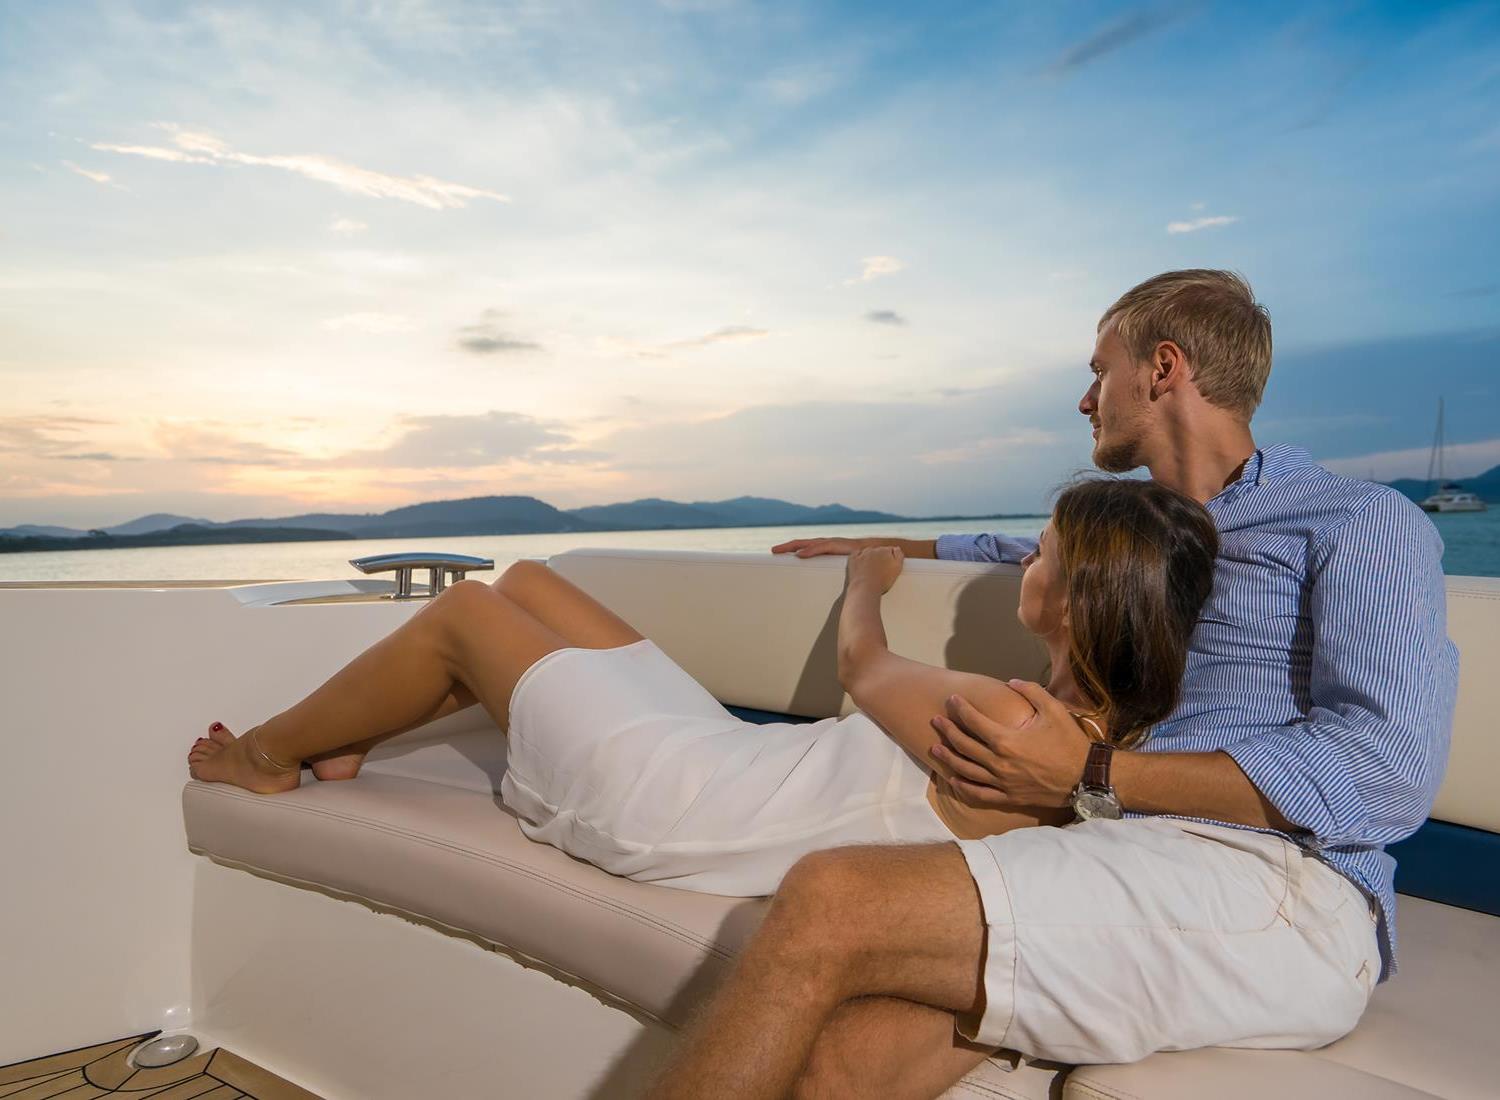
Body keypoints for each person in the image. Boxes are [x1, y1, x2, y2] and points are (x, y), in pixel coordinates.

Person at [645, 270, 1459, 1098]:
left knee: (833, 898)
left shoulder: (1356, 521)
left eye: (1100, 370)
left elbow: (1387, 770)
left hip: (1278, 882)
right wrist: (890, 549)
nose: (1085, 399)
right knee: (842, 1065)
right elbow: (1021, 550)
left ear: (1163, 368)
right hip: (1121, 852)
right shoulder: (1145, 533)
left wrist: (1092, 773)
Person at [186, 477, 1216, 899]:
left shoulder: (1009, 718)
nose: (1025, 561)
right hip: (731, 757)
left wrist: (870, 576)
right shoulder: (1097, 735)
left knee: (464, 610)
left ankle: (267, 755)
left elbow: (861, 669)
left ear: (1074, 600)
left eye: (1040, 552)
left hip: (673, 803)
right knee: (534, 580)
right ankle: (355, 732)